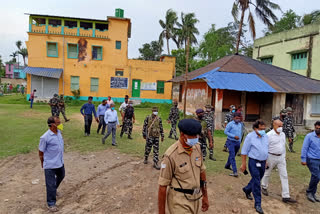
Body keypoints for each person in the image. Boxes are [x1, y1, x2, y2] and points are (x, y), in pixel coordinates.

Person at [158, 119, 209, 214]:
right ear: (182, 135)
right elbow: (162, 186)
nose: (196, 138)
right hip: (179, 201)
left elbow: (202, 173)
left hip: (195, 199)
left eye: (197, 135)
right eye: (193, 136)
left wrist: (205, 196)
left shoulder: (197, 148)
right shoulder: (170, 156)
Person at [261, 118, 297, 204]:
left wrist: (283, 156)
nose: (281, 127)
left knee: (284, 176)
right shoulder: (268, 135)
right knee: (267, 173)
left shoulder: (283, 134)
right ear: (274, 125)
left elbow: (283, 146)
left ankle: (286, 196)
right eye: (279, 126)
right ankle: (264, 186)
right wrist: (265, 160)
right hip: (270, 156)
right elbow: (264, 148)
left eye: (282, 126)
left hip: (281, 158)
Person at [240, 120, 269, 214]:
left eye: (264, 128)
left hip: (263, 162)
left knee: (257, 179)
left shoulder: (266, 137)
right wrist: (243, 164)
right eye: (261, 129)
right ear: (255, 128)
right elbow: (244, 151)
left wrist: (266, 161)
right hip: (253, 162)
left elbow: (266, 150)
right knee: (257, 182)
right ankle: (258, 204)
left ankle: (247, 189)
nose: (263, 130)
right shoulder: (250, 137)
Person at [38, 116, 65, 212]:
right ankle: (51, 203)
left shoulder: (59, 133)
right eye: (58, 122)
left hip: (59, 162)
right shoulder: (45, 137)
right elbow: (41, 152)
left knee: (62, 175)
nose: (60, 124)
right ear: (52, 124)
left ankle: (54, 190)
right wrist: (42, 162)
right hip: (50, 164)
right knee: (50, 184)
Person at [301, 121, 320, 203]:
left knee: (316, 176)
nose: (318, 130)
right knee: (316, 176)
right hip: (312, 159)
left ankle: (313, 193)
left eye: (319, 128)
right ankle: (309, 192)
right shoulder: (309, 136)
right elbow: (304, 148)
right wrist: (303, 159)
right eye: (317, 128)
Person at [224, 112, 243, 177]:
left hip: (237, 142)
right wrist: (233, 136)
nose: (238, 119)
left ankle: (227, 165)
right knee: (232, 155)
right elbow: (225, 132)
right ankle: (235, 171)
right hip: (230, 141)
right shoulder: (230, 124)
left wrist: (240, 140)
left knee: (233, 155)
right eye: (236, 118)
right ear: (233, 118)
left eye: (239, 118)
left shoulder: (240, 124)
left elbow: (240, 133)